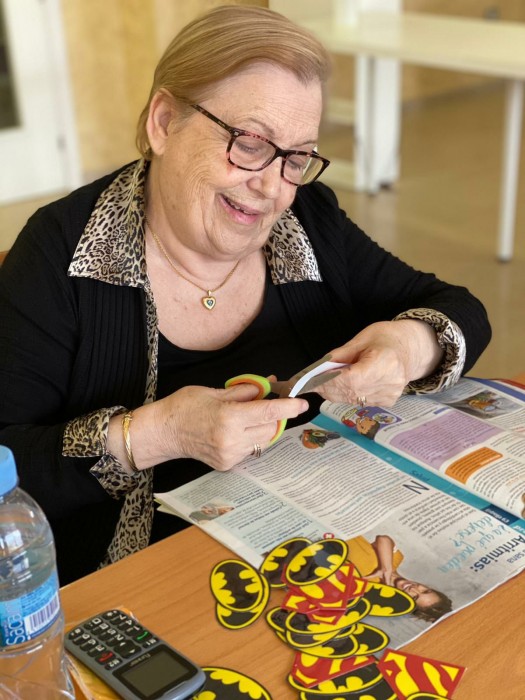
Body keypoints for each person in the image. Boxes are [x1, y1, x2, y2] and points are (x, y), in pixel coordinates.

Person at [0, 5, 491, 584]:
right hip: (143, 577)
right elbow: (10, 464)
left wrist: (405, 346)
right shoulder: (62, 252)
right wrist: (158, 434)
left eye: (297, 157)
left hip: (314, 542)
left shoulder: (307, 222)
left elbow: (458, 308)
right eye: (251, 142)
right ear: (164, 122)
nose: (271, 187)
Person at [348, 535, 452, 623]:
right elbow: (383, 539)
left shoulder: (365, 587)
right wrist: (386, 568)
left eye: (414, 597)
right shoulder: (396, 559)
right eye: (425, 591)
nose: (413, 589)